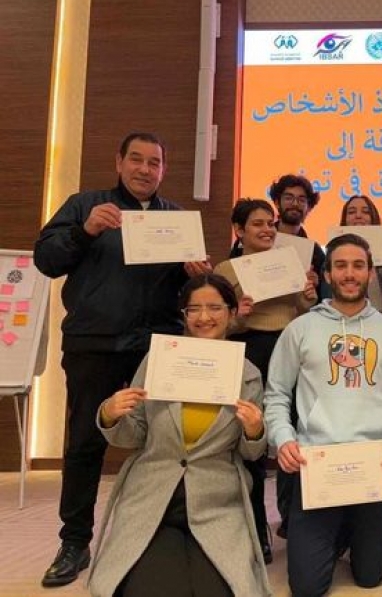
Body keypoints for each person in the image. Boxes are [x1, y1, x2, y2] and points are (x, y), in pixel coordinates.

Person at [33, 132, 211, 588]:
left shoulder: (176, 219)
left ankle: (166, 534)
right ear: (119, 162)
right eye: (136, 159)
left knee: (168, 444)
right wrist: (85, 231)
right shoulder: (85, 206)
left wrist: (196, 275)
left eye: (154, 162)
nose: (144, 169)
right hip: (95, 344)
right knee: (84, 443)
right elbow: (46, 260)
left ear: (163, 170)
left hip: (159, 350)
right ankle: (74, 542)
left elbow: (187, 294)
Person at [87, 274, 270, 597]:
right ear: (183, 315)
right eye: (193, 309)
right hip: (153, 496)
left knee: (222, 590)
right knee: (152, 590)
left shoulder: (248, 374)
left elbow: (249, 453)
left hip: (217, 502)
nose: (203, 317)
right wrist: (110, 414)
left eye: (214, 307)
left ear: (231, 312)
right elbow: (133, 437)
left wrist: (255, 431)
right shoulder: (157, 361)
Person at [265, 233, 382, 597]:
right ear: (327, 274)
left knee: (369, 576)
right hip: (317, 465)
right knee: (307, 588)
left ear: (370, 273)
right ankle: (330, 534)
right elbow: (276, 394)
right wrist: (284, 440)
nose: (349, 273)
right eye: (340, 266)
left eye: (357, 265)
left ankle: (350, 534)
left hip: (373, 466)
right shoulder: (300, 329)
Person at [214, 197, 317, 561]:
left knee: (294, 436)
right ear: (239, 230)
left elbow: (302, 313)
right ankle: (257, 526)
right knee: (251, 441)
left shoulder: (291, 261)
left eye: (271, 224)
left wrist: (308, 295)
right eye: (257, 223)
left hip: (288, 349)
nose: (267, 230)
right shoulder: (226, 270)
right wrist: (239, 316)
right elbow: (218, 326)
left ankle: (294, 520)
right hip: (248, 351)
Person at [266, 173, 327, 300]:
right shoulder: (260, 239)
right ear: (277, 202)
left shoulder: (315, 252)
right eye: (289, 198)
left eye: (302, 200)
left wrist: (317, 284)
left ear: (309, 207)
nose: (295, 204)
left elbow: (324, 296)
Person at [339, 195, 382, 311]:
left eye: (366, 212)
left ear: (373, 218)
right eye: (351, 212)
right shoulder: (334, 254)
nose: (358, 216)